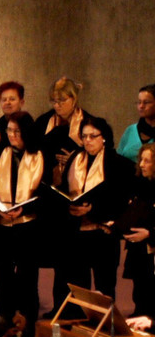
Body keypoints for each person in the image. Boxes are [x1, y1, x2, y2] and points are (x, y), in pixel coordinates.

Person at [0, 111, 46, 337]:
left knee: (28, 284)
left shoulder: (39, 155)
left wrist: (24, 208)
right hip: (2, 228)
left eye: (17, 131)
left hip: (28, 227)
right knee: (3, 284)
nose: (12, 135)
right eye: (9, 131)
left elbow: (45, 193)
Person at [50, 115, 129, 303]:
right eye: (84, 136)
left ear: (104, 137)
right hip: (76, 231)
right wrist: (68, 203)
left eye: (93, 136)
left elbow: (119, 199)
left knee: (105, 283)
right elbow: (66, 189)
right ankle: (78, 317)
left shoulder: (117, 162)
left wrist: (92, 209)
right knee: (77, 282)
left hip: (103, 232)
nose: (87, 140)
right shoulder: (75, 158)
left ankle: (104, 319)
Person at [119, 143, 155, 316]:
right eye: (141, 159)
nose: (141, 164)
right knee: (139, 293)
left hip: (151, 248)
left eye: (147, 161)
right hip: (138, 250)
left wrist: (149, 234)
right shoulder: (141, 186)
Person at [117, 84, 155, 163]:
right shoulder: (130, 130)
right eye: (139, 102)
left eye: (146, 102)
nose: (141, 106)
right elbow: (117, 158)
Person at [0, 81, 27, 149]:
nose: (7, 102)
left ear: (21, 102)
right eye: (4, 100)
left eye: (12, 99)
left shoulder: (29, 126)